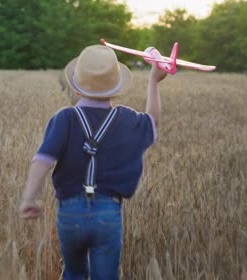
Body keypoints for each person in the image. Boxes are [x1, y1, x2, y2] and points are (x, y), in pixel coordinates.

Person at [18, 44, 167, 279]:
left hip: (70, 213)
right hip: (108, 213)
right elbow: (152, 120)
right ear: (117, 88)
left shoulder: (64, 118)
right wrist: (154, 81)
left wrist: (29, 197)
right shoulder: (127, 119)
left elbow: (43, 160)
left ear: (76, 88)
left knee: (74, 273)